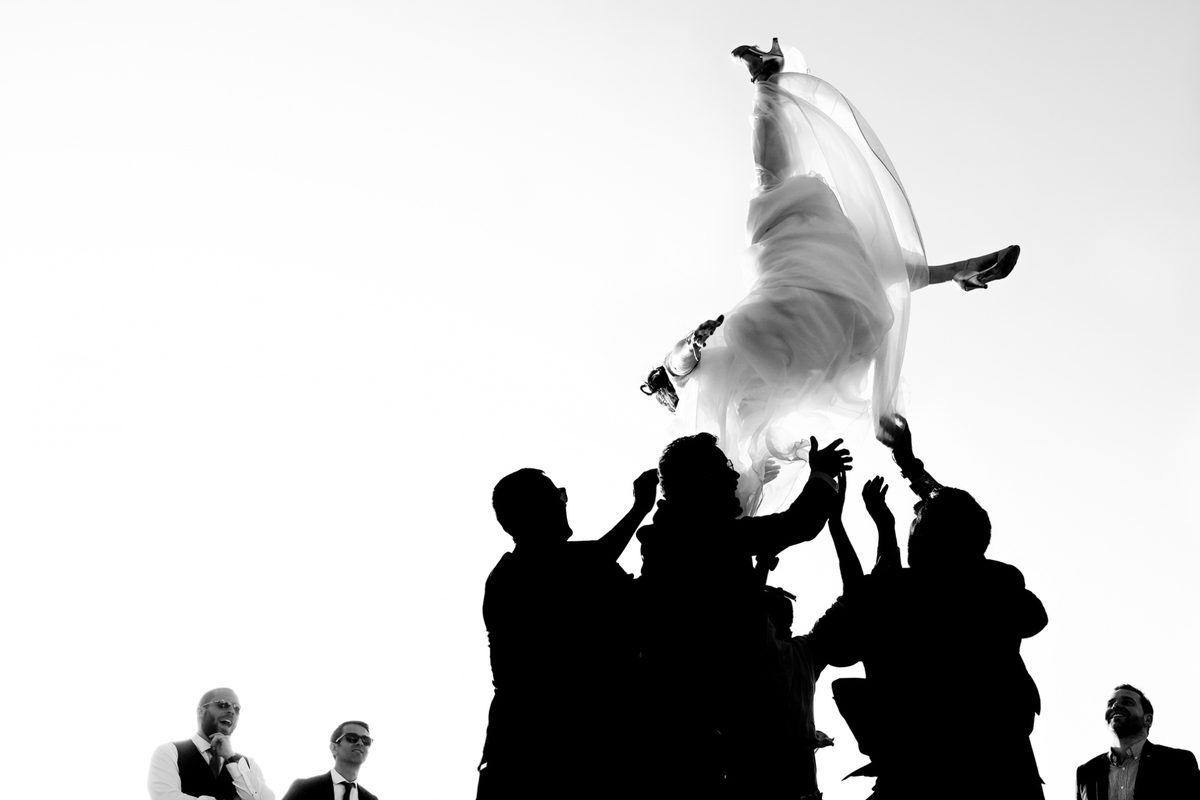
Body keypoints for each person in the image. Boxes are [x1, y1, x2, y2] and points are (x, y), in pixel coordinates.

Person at [642, 38, 1020, 515]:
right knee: (779, 199)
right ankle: (766, 81)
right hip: (785, 328)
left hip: (824, 339)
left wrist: (691, 347)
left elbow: (676, 370)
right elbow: (678, 373)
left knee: (846, 260)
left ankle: (958, 272)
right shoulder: (738, 442)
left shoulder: (713, 439)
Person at [808, 415, 1046, 799]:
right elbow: (960, 521)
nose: (911, 519)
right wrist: (908, 465)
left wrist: (842, 524)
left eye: (917, 517)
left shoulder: (897, 592)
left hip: (914, 780)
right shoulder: (995, 586)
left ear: (932, 537)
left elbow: (837, 640)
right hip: (1004, 773)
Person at [634, 432, 850, 797]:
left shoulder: (672, 541)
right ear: (703, 479)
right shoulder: (703, 537)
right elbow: (800, 523)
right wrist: (823, 476)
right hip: (719, 742)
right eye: (725, 468)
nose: (735, 478)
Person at [477, 466, 658, 800]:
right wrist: (640, 509)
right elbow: (593, 560)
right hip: (549, 753)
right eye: (557, 495)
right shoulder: (517, 575)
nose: (564, 502)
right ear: (536, 511)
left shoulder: (524, 573)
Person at [148, 688, 275, 800]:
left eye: (237, 709)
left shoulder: (247, 763)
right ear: (200, 711)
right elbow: (165, 797)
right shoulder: (169, 752)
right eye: (223, 704)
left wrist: (231, 758)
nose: (232, 711)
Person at [1076, 685, 1200, 799]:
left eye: (1127, 702)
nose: (1115, 706)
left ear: (1148, 719)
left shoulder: (1179, 762)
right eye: (1111, 703)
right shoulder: (1086, 773)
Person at [281, 721, 378, 800]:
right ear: (334, 747)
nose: (360, 743)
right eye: (352, 738)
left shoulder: (371, 799)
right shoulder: (303, 788)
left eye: (366, 740)